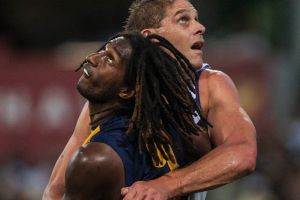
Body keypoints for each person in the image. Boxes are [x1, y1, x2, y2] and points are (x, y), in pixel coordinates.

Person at [43, 0, 257, 199]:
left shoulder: (210, 84)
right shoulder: (113, 94)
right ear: (151, 36)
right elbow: (56, 189)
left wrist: (166, 185)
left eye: (196, 18)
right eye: (184, 19)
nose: (200, 27)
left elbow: (243, 154)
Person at [63, 32, 209, 200]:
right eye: (103, 51)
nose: (92, 58)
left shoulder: (93, 159)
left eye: (109, 59)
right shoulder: (179, 133)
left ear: (127, 91)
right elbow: (206, 148)